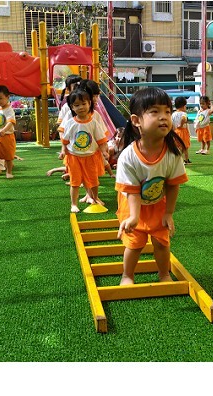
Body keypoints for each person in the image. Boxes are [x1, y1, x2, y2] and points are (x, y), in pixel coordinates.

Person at [115, 87, 188, 286]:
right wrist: (134, 217)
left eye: (167, 111)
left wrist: (168, 213)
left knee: (162, 242)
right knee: (134, 244)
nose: (164, 117)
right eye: (155, 112)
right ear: (136, 120)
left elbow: (173, 185)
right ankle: (127, 275)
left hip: (157, 205)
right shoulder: (128, 157)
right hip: (132, 206)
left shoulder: (172, 153)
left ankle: (164, 274)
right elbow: (131, 191)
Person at [58, 87, 109, 212]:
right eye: (77, 105)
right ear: (72, 107)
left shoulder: (94, 123)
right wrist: (63, 151)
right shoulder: (70, 123)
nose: (81, 107)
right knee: (75, 182)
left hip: (90, 157)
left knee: (94, 181)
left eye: (83, 104)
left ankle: (95, 199)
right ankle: (74, 204)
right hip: (74, 157)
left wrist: (104, 151)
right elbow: (65, 140)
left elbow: (101, 140)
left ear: (89, 103)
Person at [172, 96, 191, 164]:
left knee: (177, 146)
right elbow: (183, 118)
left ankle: (179, 159)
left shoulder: (173, 114)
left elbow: (171, 123)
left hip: (175, 131)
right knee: (185, 146)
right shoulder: (184, 113)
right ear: (184, 106)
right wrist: (181, 124)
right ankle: (186, 159)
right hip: (182, 131)